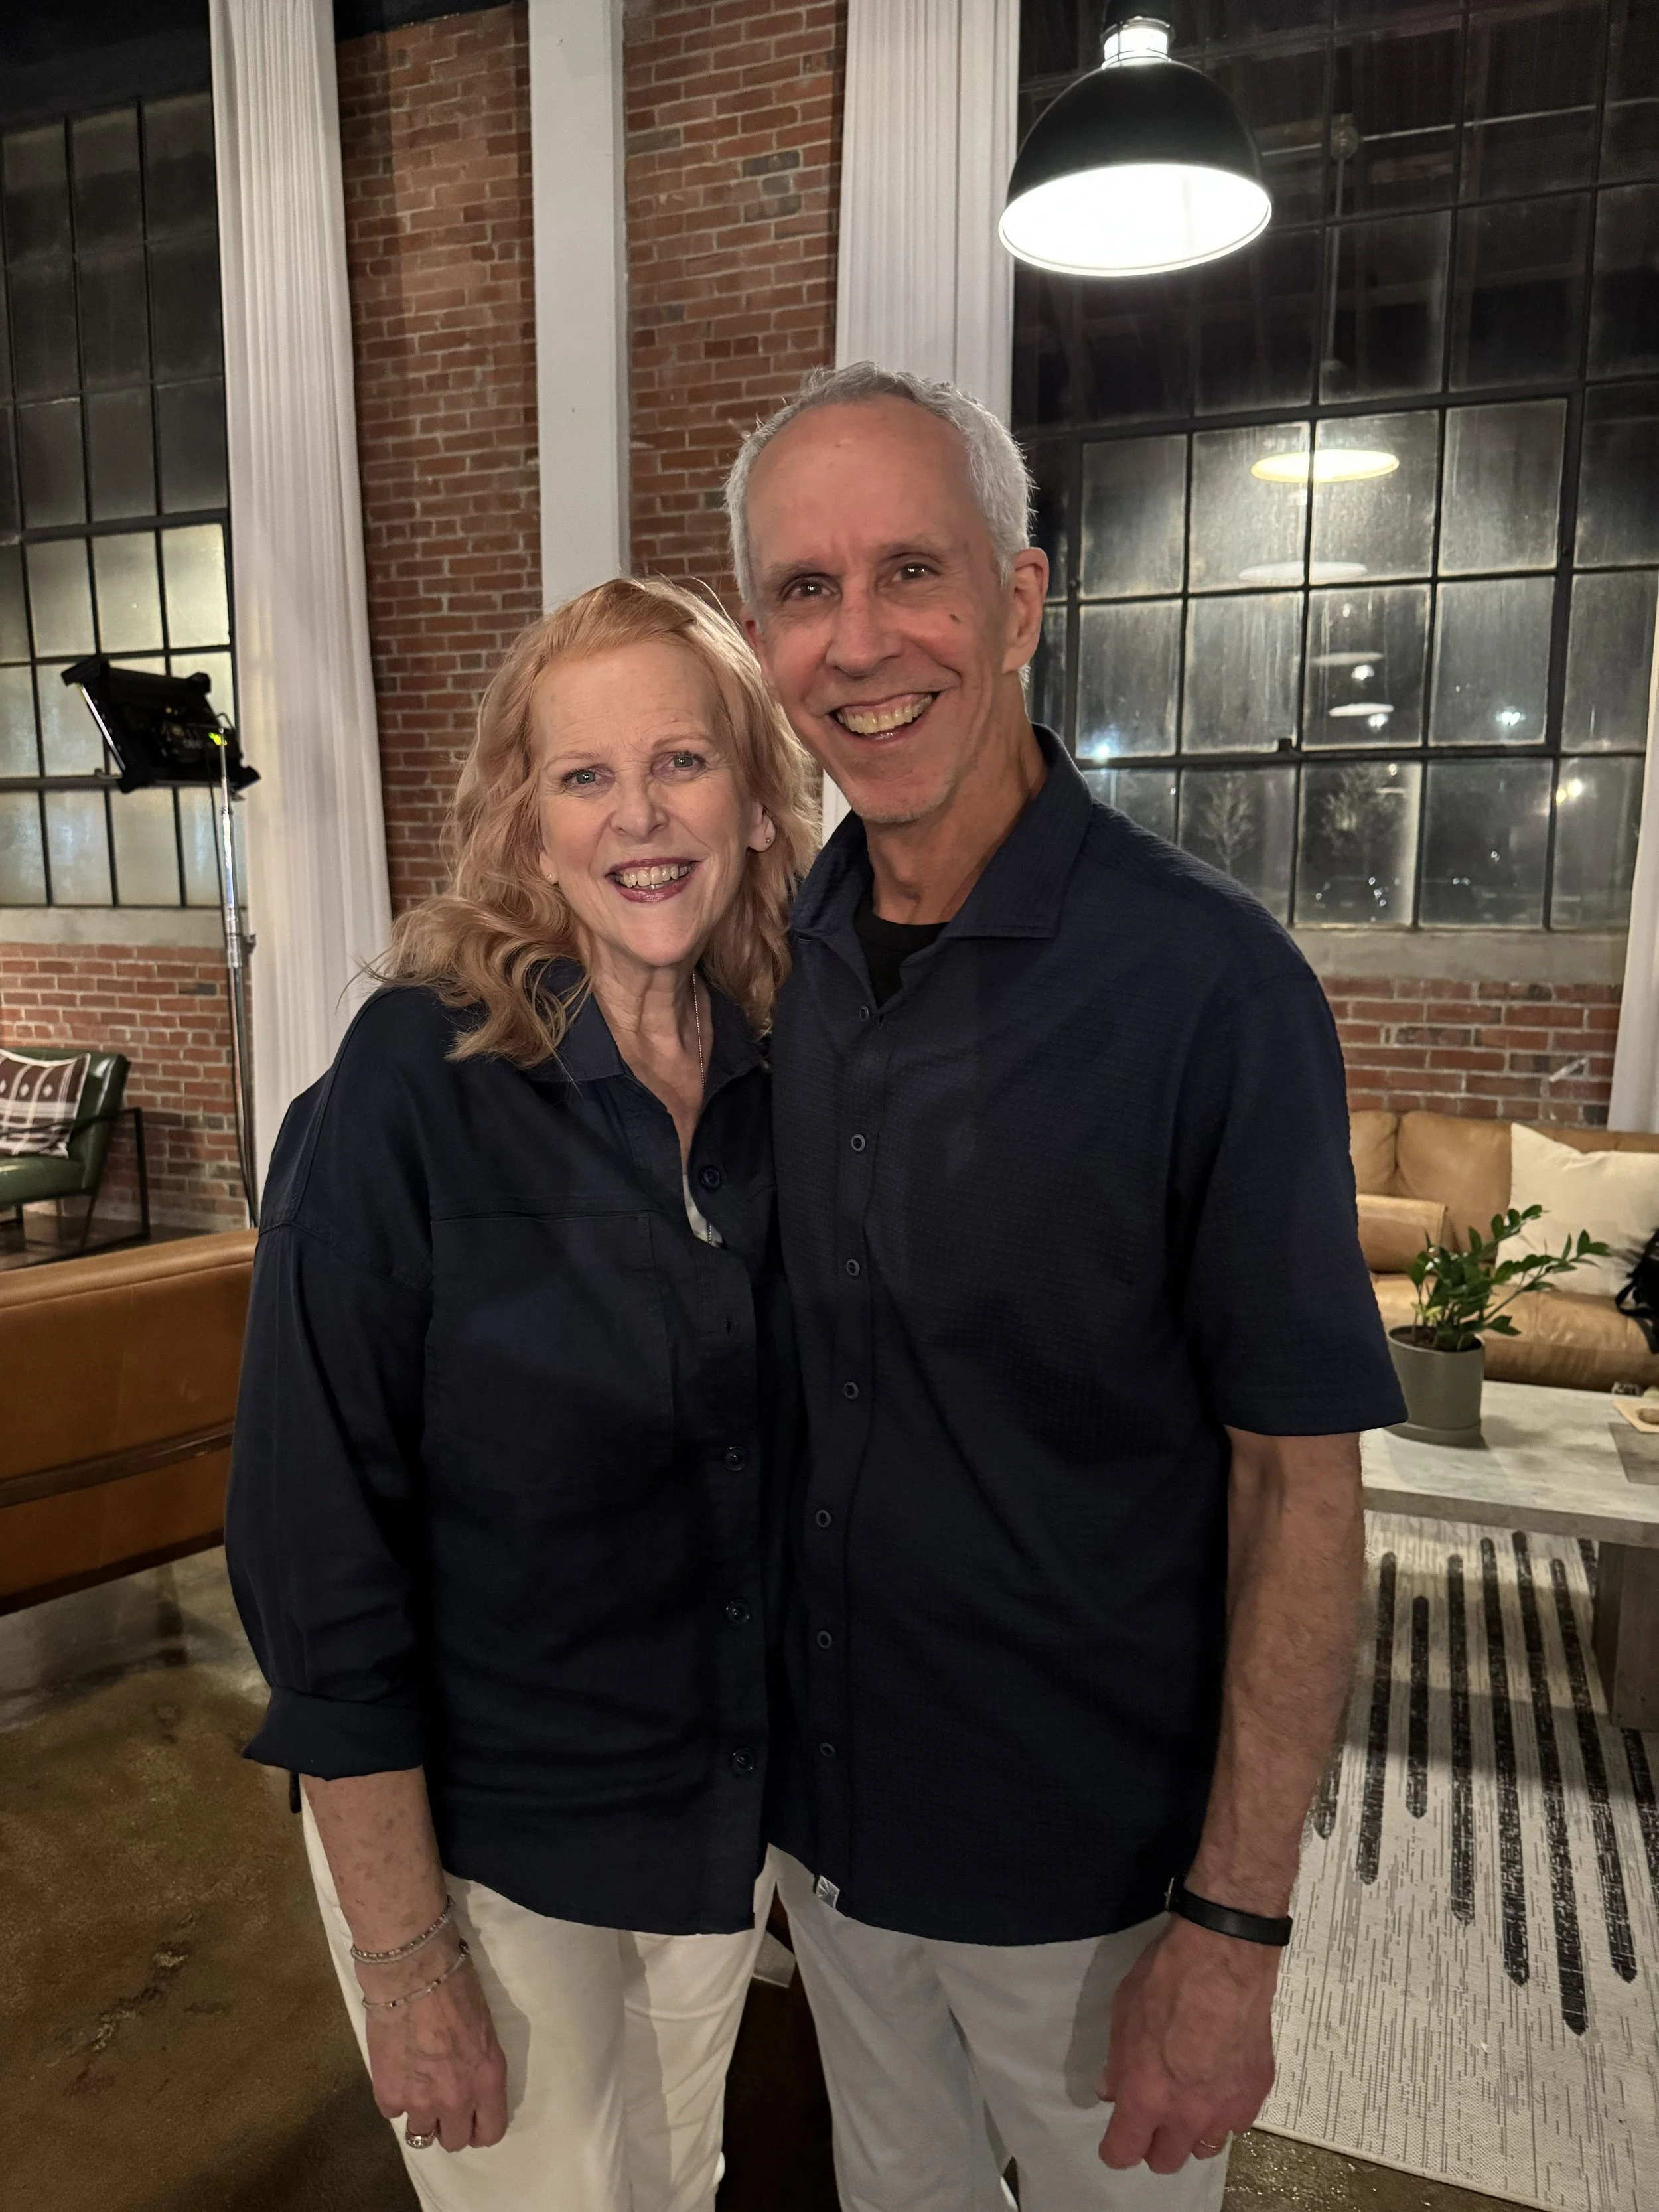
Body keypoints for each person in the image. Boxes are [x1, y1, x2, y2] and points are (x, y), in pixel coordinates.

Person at [723, 363, 1407, 2211]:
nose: (860, 643)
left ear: (1018, 600)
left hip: (1090, 1883)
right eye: (801, 589)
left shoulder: (1210, 990)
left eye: (910, 572)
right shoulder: (773, 958)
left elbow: (1296, 1480)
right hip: (833, 1832)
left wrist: (1235, 1922)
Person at [225, 577, 816, 2212]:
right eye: (583, 775)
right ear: (522, 821)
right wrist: (404, 1955)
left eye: (683, 762)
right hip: (496, 1847)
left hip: (712, 1818)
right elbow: (310, 1542)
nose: (639, 815)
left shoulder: (789, 1073)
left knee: (676, 2182)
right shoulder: (409, 1093)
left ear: (755, 800)